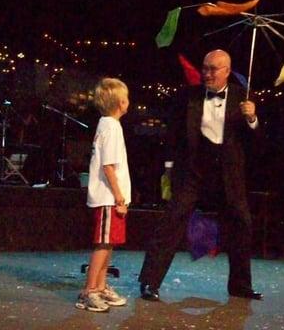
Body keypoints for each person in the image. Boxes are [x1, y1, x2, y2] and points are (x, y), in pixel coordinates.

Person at [139, 49, 264, 301]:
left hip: (227, 174)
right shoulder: (188, 96)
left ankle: (240, 285)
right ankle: (149, 282)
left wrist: (252, 118)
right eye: (204, 68)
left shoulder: (244, 98)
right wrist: (169, 167)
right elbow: (173, 134)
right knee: (171, 222)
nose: (206, 73)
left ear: (227, 71)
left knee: (242, 223)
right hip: (193, 171)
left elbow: (257, 143)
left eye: (213, 69)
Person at [76, 78, 131, 312]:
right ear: (121, 102)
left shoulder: (107, 125)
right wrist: (119, 197)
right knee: (103, 245)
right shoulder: (111, 127)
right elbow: (108, 166)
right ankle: (89, 291)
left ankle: (100, 286)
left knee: (109, 244)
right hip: (109, 198)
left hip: (111, 197)